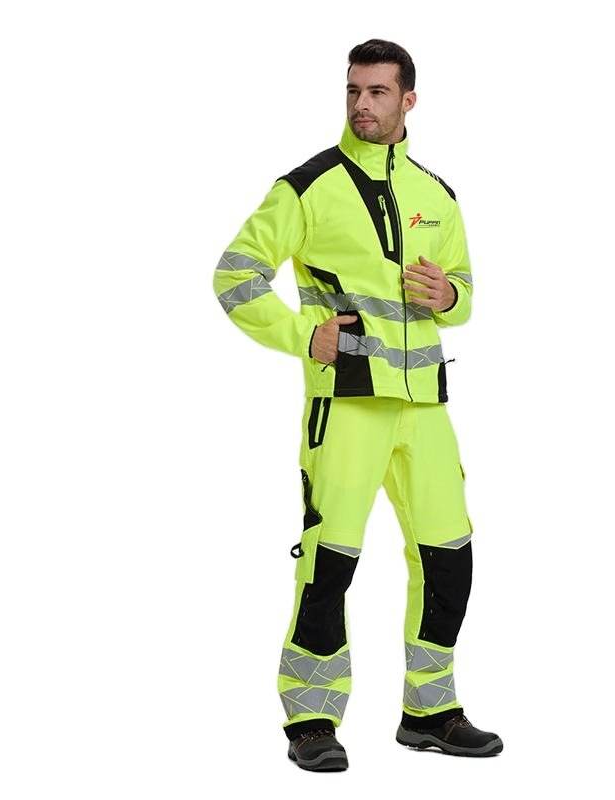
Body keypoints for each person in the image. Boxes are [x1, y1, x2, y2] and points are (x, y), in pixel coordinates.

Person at [213, 38, 503, 771]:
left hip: (425, 409)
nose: (362, 104)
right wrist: (300, 335)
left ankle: (430, 710)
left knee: (449, 559)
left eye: (377, 92)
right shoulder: (306, 187)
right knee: (330, 563)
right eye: (353, 90)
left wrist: (450, 295)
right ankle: (311, 718)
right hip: (345, 405)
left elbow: (464, 291)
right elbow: (235, 276)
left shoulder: (438, 194)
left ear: (409, 100)